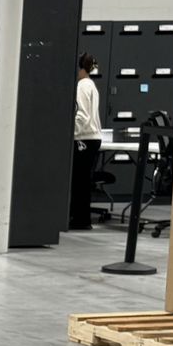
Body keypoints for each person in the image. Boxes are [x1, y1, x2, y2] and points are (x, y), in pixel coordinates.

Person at [70, 52, 103, 231]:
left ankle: (81, 220)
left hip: (84, 138)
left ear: (80, 68)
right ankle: (80, 218)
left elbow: (82, 115)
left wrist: (71, 134)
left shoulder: (82, 86)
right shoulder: (91, 85)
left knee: (79, 181)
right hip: (92, 138)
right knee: (82, 181)